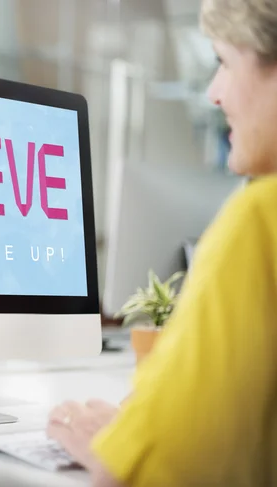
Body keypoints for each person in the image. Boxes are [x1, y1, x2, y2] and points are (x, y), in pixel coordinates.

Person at [46, 0, 277, 485]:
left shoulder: (259, 219)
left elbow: (161, 470)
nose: (214, 93)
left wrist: (115, 443)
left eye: (223, 63)